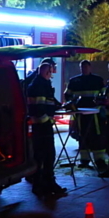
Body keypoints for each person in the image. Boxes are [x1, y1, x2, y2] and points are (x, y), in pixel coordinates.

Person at [26, 61, 66, 196]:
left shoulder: (40, 84)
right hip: (42, 126)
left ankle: (42, 184)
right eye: (50, 71)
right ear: (47, 72)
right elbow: (39, 108)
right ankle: (46, 184)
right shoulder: (40, 86)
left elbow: (48, 101)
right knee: (47, 156)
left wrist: (59, 105)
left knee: (42, 156)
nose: (51, 74)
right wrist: (48, 119)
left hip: (40, 125)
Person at [64, 59, 108, 173]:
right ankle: (84, 160)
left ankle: (100, 160)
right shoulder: (74, 81)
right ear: (80, 68)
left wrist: (100, 103)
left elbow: (105, 95)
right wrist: (72, 104)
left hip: (96, 114)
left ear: (90, 67)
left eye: (86, 67)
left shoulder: (98, 80)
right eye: (82, 67)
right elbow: (67, 95)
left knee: (97, 136)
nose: (84, 69)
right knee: (82, 135)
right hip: (80, 114)